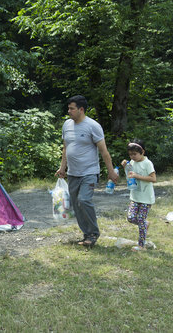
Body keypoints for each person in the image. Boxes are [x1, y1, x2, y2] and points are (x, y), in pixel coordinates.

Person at [55, 95, 118, 246]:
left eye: (72, 108)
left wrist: (111, 172)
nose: (69, 111)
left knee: (84, 200)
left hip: (89, 172)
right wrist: (62, 168)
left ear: (81, 109)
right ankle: (87, 235)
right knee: (76, 205)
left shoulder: (93, 126)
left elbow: (103, 151)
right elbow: (66, 148)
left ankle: (93, 233)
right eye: (69, 108)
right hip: (72, 173)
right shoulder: (67, 125)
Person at [121, 139, 156, 251]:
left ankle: (141, 245)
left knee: (140, 219)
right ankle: (145, 224)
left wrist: (137, 176)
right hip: (135, 197)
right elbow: (129, 176)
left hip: (146, 198)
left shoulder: (147, 163)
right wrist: (125, 167)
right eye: (130, 154)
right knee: (131, 218)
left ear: (142, 152)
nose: (132, 157)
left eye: (135, 154)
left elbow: (153, 178)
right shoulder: (131, 162)